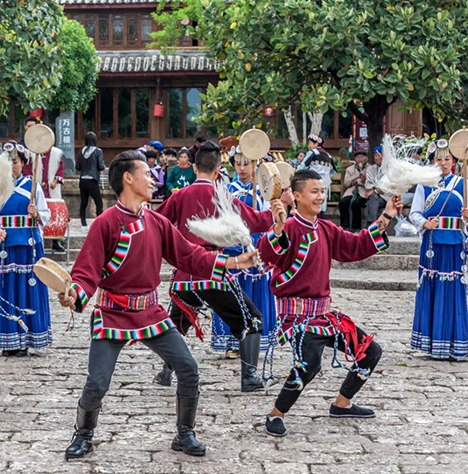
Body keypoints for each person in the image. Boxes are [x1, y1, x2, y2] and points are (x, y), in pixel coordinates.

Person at [57, 150, 257, 460]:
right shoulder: (106, 223)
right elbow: (86, 273)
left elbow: (189, 255)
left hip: (151, 313)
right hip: (112, 313)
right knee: (97, 382)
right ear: (128, 178)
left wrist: (232, 262)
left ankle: (185, 433)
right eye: (146, 174)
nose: (153, 179)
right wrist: (75, 294)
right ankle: (83, 433)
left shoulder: (157, 221)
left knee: (188, 369)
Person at [259, 169, 399, 437]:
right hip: (297, 318)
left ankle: (341, 404)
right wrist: (277, 227)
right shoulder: (288, 227)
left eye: (322, 191)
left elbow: (356, 244)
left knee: (370, 351)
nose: (321, 196)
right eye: (314, 191)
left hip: (324, 315)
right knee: (308, 365)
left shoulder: (325, 229)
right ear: (297, 196)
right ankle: (276, 414)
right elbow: (268, 254)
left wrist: (388, 214)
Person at [153, 141, 285, 393]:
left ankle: (165, 373)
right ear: (218, 170)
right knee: (252, 320)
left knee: (177, 324)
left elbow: (156, 223)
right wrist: (278, 210)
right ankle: (249, 377)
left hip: (183, 277)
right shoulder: (223, 196)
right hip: (213, 272)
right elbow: (256, 222)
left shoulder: (179, 196)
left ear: (193, 167)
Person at [408, 139, 468, 361]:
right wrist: (425, 224)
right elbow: (415, 213)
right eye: (439, 158)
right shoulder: (424, 184)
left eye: (447, 158)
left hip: (454, 245)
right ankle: (430, 343)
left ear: (454, 161)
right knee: (432, 288)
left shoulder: (462, 183)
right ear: (433, 161)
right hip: (431, 245)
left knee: (452, 291)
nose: (443, 163)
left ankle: (454, 344)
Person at [0, 143, 52, 356]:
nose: (10, 166)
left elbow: (45, 215)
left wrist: (36, 215)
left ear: (23, 163)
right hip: (4, 245)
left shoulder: (33, 186)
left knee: (26, 289)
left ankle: (25, 339)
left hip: (28, 246)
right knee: (4, 290)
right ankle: (6, 339)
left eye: (14, 162)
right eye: (6, 162)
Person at [210, 147, 277, 361]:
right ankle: (233, 340)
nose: (241, 168)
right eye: (237, 163)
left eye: (246, 163)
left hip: (255, 245)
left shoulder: (264, 191)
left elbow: (269, 218)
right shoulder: (227, 189)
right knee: (233, 296)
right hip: (232, 246)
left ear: (255, 165)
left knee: (255, 295)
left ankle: (255, 340)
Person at [76, 132, 105, 232]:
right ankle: (99, 223)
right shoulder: (98, 151)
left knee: (84, 202)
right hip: (93, 179)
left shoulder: (81, 151)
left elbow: (77, 167)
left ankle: (83, 224)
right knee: (99, 203)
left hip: (83, 179)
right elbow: (101, 166)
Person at [298, 135, 335, 212]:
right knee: (321, 203)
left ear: (316, 144)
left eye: (310, 143)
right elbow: (332, 171)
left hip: (312, 183)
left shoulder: (312, 153)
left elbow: (302, 167)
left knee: (312, 202)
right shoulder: (329, 156)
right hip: (324, 184)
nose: (309, 145)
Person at [338, 151, 369, 231]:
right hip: (351, 191)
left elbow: (369, 182)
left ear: (366, 159)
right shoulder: (349, 169)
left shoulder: (370, 168)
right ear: (355, 159)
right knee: (343, 202)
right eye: (358, 157)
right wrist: (357, 176)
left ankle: (356, 227)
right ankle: (344, 226)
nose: (360, 159)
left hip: (364, 192)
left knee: (356, 203)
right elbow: (346, 183)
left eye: (362, 157)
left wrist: (357, 181)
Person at [364, 146, 387, 223]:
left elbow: (387, 186)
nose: (376, 158)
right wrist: (375, 190)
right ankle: (373, 223)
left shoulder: (389, 169)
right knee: (373, 198)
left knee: (372, 199)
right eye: (375, 155)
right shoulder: (370, 169)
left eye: (378, 155)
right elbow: (367, 184)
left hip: (386, 196)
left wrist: (373, 190)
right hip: (375, 197)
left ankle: (371, 224)